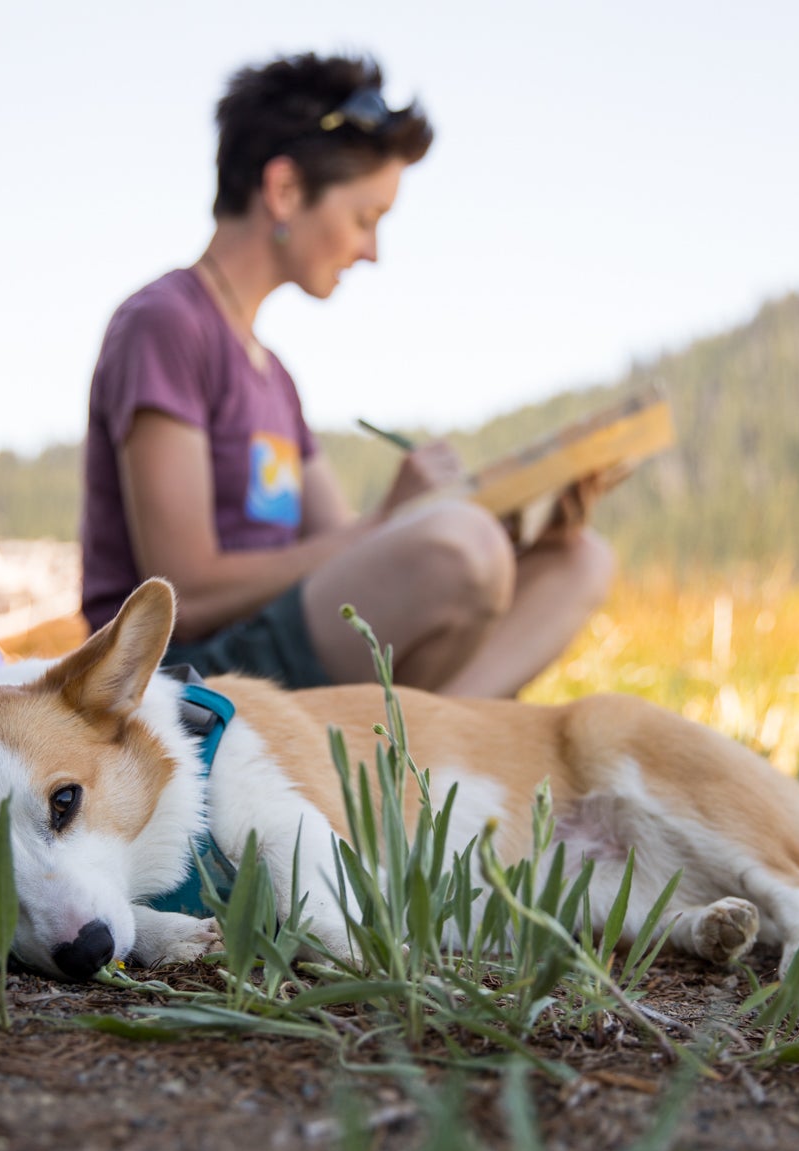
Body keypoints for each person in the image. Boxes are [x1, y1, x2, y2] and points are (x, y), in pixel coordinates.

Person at [80, 52, 614, 698]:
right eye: (366, 219)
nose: (373, 251)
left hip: (271, 651)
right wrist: (393, 520)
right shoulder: (166, 324)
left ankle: (426, 761)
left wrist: (512, 521)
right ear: (284, 192)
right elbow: (183, 592)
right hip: (184, 676)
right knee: (458, 552)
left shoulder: (275, 378)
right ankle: (426, 752)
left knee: (578, 562)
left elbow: (348, 551)